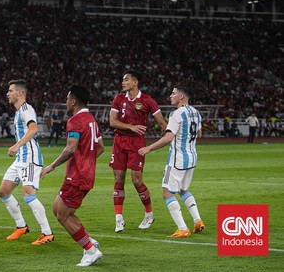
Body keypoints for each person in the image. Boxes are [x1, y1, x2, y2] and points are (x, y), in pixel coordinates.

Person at [40, 85, 104, 267]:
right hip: (86, 173)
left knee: (63, 215)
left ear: (74, 101)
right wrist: (87, 161)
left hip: (77, 176)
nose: (66, 102)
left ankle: (90, 250)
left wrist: (52, 166)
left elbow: (71, 148)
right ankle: (88, 239)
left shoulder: (75, 120)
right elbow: (100, 147)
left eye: (67, 99)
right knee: (57, 208)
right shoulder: (91, 119)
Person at [138, 85, 205, 238]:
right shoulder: (196, 113)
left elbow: (169, 138)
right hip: (192, 157)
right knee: (182, 189)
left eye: (173, 93)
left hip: (177, 159)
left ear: (181, 97)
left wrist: (149, 148)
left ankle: (182, 228)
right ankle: (197, 220)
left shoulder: (176, 114)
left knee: (167, 192)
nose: (170, 96)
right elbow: (199, 133)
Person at [109, 69, 167, 232]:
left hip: (137, 143)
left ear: (135, 82)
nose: (123, 82)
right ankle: (118, 218)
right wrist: (130, 127)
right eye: (123, 80)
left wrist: (169, 132)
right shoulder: (118, 99)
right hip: (119, 141)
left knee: (136, 180)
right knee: (118, 179)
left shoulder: (147, 100)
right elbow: (112, 122)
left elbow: (162, 122)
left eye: (126, 79)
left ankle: (149, 214)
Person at [0, 79, 54, 245]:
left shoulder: (26, 109)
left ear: (20, 93)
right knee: (4, 192)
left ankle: (47, 233)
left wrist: (16, 145)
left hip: (30, 158)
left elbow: (33, 129)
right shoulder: (18, 112)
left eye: (10, 91)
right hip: (20, 159)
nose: (8, 94)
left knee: (29, 194)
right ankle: (21, 226)